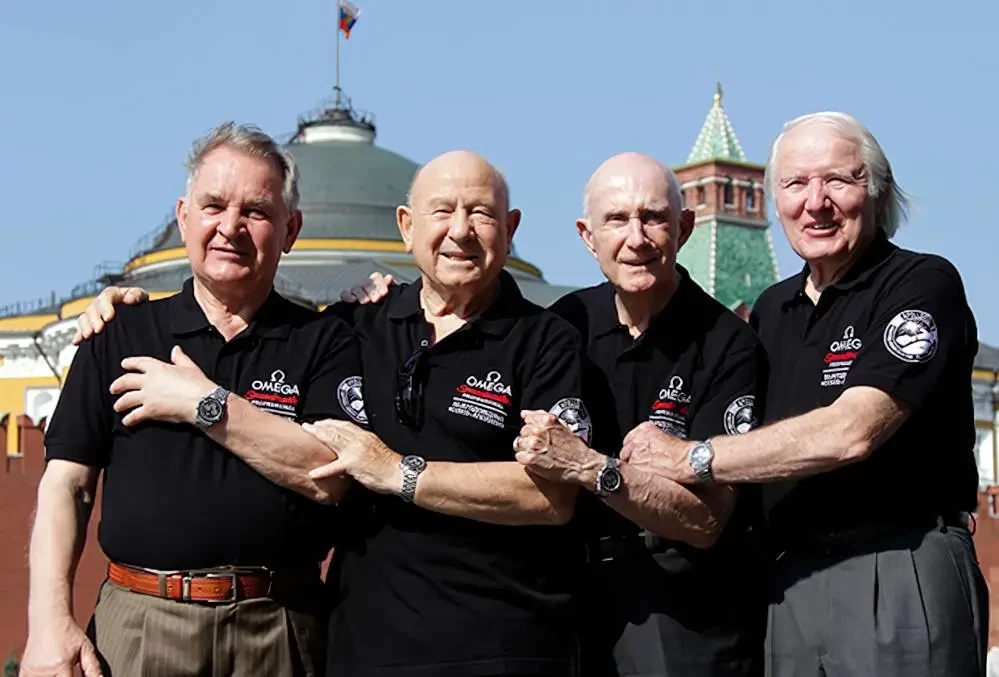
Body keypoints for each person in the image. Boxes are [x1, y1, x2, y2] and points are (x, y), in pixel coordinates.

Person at [71, 150, 593, 677]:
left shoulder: (548, 340)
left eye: (480, 213)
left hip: (504, 644)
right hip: (365, 646)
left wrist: (398, 472)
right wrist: (117, 307)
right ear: (406, 227)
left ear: (510, 228)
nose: (460, 230)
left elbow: (552, 496)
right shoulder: (355, 324)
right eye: (442, 211)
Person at [342, 152, 771, 677]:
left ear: (683, 229)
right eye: (616, 220)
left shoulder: (727, 343)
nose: (635, 238)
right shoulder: (568, 320)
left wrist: (592, 468)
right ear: (588, 237)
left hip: (677, 608)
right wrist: (374, 296)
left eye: (653, 218)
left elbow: (705, 521)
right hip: (569, 605)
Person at [617, 113, 988, 676]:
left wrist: (691, 457)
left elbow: (852, 431)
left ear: (876, 190)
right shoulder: (772, 310)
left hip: (895, 561)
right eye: (794, 184)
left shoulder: (918, 283)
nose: (816, 203)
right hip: (788, 579)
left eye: (837, 179)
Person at [22, 122, 364, 677]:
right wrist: (47, 622)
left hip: (279, 627)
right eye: (214, 206)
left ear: (291, 229)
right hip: (142, 625)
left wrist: (203, 404)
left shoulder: (324, 342)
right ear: (184, 217)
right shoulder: (120, 333)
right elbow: (68, 485)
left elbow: (330, 474)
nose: (230, 227)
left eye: (256, 211)